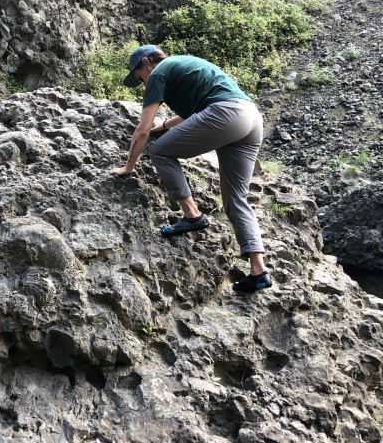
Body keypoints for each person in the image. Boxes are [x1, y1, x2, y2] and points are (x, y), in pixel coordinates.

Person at [108, 44, 272, 292]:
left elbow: (142, 129)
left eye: (138, 77)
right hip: (250, 118)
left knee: (159, 151)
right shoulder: (186, 64)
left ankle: (192, 214)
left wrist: (128, 166)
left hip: (226, 115)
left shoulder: (159, 72)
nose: (142, 83)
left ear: (146, 63)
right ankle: (259, 271)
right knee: (236, 199)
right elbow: (197, 110)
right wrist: (164, 126)